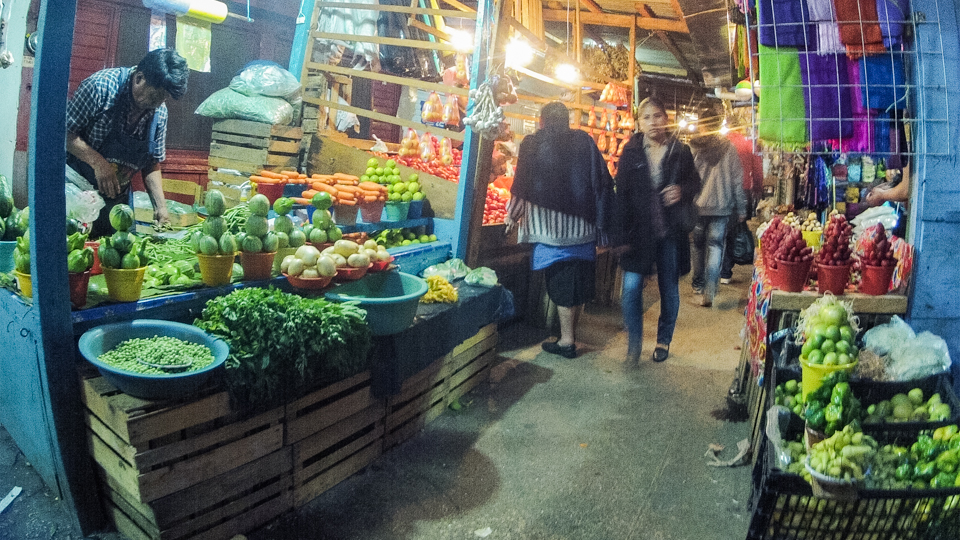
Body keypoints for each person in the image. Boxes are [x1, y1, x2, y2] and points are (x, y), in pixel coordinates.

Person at [504, 101, 614, 359]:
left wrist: (512, 215)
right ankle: (569, 336)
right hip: (583, 227)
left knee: (562, 284)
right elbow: (602, 180)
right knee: (576, 284)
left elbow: (521, 184)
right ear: (567, 121)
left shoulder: (532, 143)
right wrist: (603, 222)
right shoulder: (584, 140)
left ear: (542, 121)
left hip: (551, 230)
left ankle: (566, 342)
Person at [66, 48, 189, 237]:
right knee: (76, 247)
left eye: (163, 99)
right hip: (78, 193)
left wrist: (160, 207)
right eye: (154, 96)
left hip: (117, 202)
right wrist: (99, 163)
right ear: (139, 78)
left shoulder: (159, 112)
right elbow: (65, 134)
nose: (157, 104)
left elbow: (151, 162)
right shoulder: (100, 87)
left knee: (120, 250)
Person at [614, 97, 701, 364]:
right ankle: (634, 343)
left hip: (669, 232)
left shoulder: (680, 150)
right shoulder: (631, 152)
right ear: (639, 123)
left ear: (666, 118)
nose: (653, 122)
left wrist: (682, 190)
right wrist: (619, 235)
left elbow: (695, 182)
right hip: (637, 232)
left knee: (669, 289)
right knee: (630, 289)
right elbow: (621, 195)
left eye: (657, 116)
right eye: (646, 117)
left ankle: (663, 340)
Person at [688, 111, 747, 308]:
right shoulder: (729, 148)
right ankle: (711, 289)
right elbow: (737, 179)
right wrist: (741, 207)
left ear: (700, 124)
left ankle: (698, 286)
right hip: (722, 208)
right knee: (715, 247)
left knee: (697, 246)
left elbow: (686, 177)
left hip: (698, 207)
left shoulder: (693, 148)